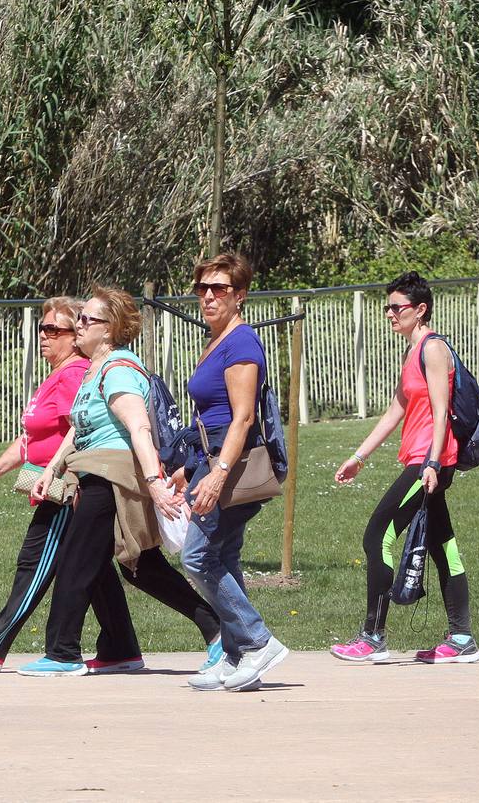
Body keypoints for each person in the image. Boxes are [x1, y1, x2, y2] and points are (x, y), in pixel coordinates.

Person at [19, 286, 221, 677]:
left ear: (109, 329)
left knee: (76, 561)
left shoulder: (120, 369)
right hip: (95, 470)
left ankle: (62, 654)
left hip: (111, 475)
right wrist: (51, 470)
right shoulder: (95, 369)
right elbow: (79, 430)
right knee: (140, 565)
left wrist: (154, 482)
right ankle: (208, 632)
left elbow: (139, 428)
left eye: (87, 320)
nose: (78, 325)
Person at [331, 271, 479, 664]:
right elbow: (397, 409)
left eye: (397, 307)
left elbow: (442, 410)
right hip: (423, 460)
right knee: (441, 544)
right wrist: (359, 457)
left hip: (427, 463)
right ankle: (461, 638)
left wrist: (432, 462)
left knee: (377, 537)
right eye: (388, 307)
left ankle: (373, 636)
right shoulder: (411, 352)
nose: (390, 314)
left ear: (421, 309)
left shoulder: (433, 348)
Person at [0, 297, 97, 671]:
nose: (44, 336)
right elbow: (31, 439)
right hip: (51, 482)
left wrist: (59, 472)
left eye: (54, 330)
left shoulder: (73, 374)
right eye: (42, 329)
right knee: (91, 570)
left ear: (75, 336)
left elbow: (80, 431)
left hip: (64, 487)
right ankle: (122, 646)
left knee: (35, 561)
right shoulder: (55, 375)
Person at [178, 253, 290, 692]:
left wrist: (218, 473)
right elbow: (210, 414)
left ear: (240, 295)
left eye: (220, 288)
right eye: (203, 288)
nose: (209, 296)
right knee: (223, 556)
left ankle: (258, 641)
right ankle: (237, 653)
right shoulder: (218, 339)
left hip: (235, 465)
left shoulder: (241, 343)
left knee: (198, 556)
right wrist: (190, 468)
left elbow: (242, 418)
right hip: (212, 460)